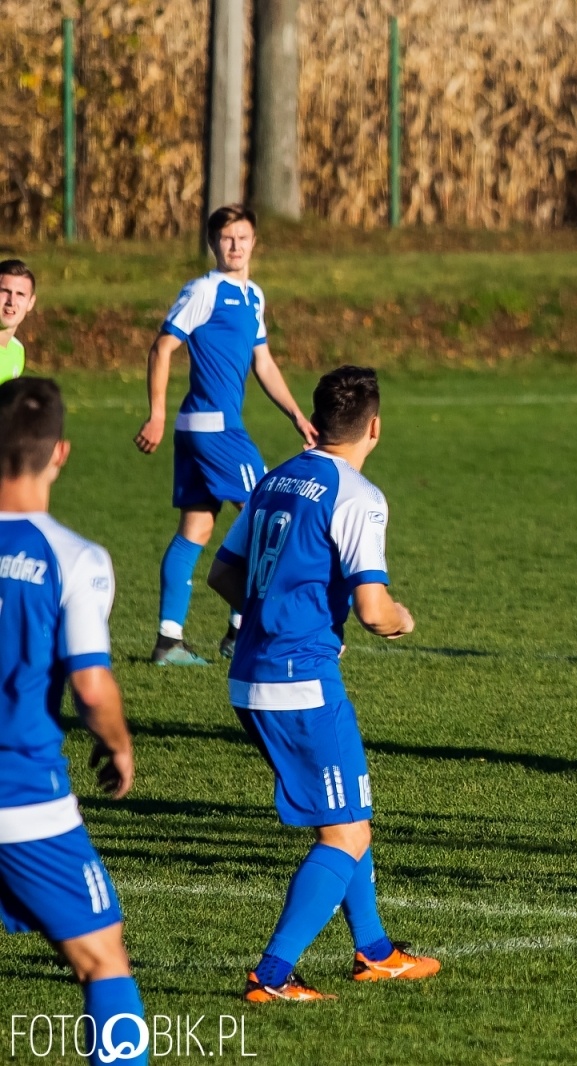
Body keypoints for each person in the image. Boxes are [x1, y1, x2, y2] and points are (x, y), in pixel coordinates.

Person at [207, 366, 439, 1001]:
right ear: (374, 427)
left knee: (347, 816)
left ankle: (375, 951)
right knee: (346, 833)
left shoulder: (276, 477)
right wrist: (400, 620)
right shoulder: (358, 495)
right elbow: (372, 607)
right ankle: (272, 975)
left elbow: (223, 576)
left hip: (249, 674)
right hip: (301, 682)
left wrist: (275, 607)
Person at [0, 377, 150, 1064]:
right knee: (103, 960)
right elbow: (91, 687)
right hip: (22, 796)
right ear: (60, 452)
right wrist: (117, 744)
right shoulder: (73, 558)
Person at [136, 204, 316, 666]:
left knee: (197, 527)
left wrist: (295, 413)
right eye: (226, 238)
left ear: (254, 242)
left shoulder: (254, 296)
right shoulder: (204, 289)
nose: (235, 246)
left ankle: (168, 640)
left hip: (203, 429)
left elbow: (264, 362)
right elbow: (162, 347)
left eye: (243, 238)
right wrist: (155, 413)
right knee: (267, 515)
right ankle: (242, 633)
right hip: (215, 428)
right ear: (213, 244)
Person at [0, 260, 37, 382]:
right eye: (5, 291)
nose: (12, 301)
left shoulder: (17, 351)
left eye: (20, 294)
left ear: (30, 303)